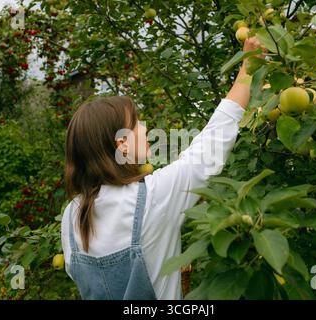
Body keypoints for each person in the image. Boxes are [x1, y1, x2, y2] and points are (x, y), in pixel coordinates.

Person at [61, 37, 263, 300]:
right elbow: (215, 138)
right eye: (137, 123)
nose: (145, 128)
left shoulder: (71, 215)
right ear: (122, 144)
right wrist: (247, 67)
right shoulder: (154, 197)